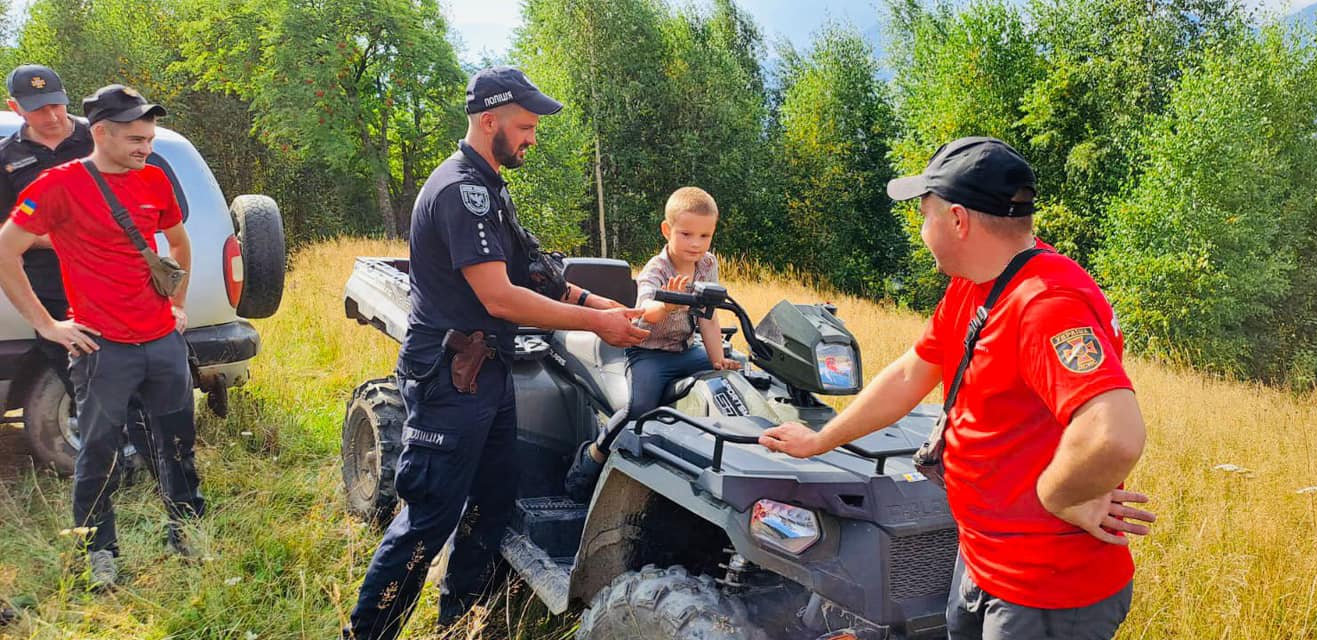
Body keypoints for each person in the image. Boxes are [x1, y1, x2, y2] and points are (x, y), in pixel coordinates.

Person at [758, 137, 1156, 639]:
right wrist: (819, 440)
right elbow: (911, 373)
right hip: (980, 561)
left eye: (925, 215)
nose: (922, 231)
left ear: (959, 220)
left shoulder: (1045, 304)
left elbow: (1114, 433)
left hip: (1043, 592)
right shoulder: (978, 282)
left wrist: (1060, 496)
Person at [344, 66, 648, 640]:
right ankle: (366, 633)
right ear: (490, 121)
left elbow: (536, 272)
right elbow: (501, 296)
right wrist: (595, 324)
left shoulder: (491, 189)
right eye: (526, 125)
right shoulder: (461, 190)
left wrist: (614, 309)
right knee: (428, 521)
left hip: (487, 377)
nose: (533, 136)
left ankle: (460, 625)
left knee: (492, 502)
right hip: (449, 383)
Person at [0, 85, 203, 590]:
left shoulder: (154, 179)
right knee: (98, 450)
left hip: (162, 342)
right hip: (101, 346)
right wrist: (49, 326)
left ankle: (186, 527)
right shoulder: (56, 186)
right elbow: (6, 252)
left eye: (150, 137)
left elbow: (178, 242)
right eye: (136, 138)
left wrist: (177, 305)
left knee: (176, 442)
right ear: (103, 133)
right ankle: (99, 550)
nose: (146, 147)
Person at [0, 64, 155, 475]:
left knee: (135, 376)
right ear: (14, 107)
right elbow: (5, 233)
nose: (50, 117)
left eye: (56, 105)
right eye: (37, 109)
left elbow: (147, 196)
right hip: (51, 290)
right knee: (82, 383)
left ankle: (155, 464)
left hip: (112, 283)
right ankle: (113, 469)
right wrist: (61, 237)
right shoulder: (7, 160)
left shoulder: (101, 135)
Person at [564, 186, 737, 500]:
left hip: (686, 349)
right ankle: (593, 457)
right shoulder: (656, 270)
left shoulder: (708, 264)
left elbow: (709, 317)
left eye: (704, 236)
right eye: (686, 234)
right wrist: (668, 305)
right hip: (648, 352)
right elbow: (645, 315)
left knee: (737, 380)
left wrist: (716, 360)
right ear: (666, 230)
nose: (696, 244)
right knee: (639, 408)